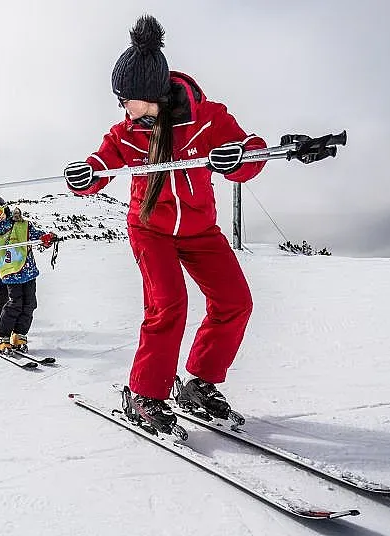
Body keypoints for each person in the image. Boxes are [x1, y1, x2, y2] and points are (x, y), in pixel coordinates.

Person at [63, 15, 266, 431]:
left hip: (199, 230)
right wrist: (84, 176)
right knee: (168, 304)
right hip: (150, 230)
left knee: (234, 302)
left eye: (127, 99)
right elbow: (101, 165)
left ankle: (199, 384)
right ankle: (145, 395)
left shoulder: (207, 118)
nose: (123, 107)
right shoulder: (126, 132)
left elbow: (253, 151)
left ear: (150, 93)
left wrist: (239, 157)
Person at [0, 195, 54, 352]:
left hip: (28, 272)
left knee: (30, 304)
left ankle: (19, 335)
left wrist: (45, 238)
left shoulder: (22, 225)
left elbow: (37, 237)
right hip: (11, 275)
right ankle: (1, 336)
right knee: (15, 304)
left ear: (5, 209)